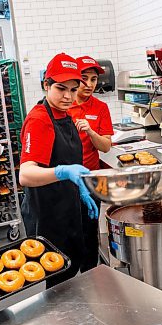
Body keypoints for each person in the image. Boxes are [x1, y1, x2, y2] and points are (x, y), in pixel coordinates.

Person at [19, 53, 99, 285]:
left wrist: (80, 189)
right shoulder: (39, 120)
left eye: (73, 90)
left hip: (66, 205)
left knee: (71, 270)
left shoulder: (63, 115)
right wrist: (63, 172)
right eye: (61, 88)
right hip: (47, 214)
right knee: (55, 280)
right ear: (46, 85)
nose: (67, 96)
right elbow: (25, 174)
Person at [68, 56, 114, 272]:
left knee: (89, 228)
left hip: (92, 178)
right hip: (66, 179)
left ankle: (91, 273)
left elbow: (105, 146)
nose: (89, 84)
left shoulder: (101, 107)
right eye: (84, 78)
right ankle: (68, 274)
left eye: (94, 79)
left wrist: (91, 131)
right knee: (69, 229)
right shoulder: (64, 105)